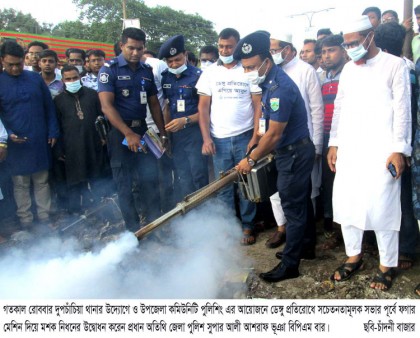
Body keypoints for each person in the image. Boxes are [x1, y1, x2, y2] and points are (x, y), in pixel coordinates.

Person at [327, 16, 412, 291]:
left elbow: (403, 110)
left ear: (370, 36)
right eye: (346, 43)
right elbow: (339, 107)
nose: (350, 48)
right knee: (347, 201)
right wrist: (334, 143)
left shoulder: (394, 65)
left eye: (354, 42)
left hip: (382, 150)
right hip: (351, 148)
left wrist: (399, 150)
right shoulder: (349, 70)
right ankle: (354, 256)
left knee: (383, 206)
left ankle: (387, 264)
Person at [234, 31, 315, 282]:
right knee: (300, 204)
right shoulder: (269, 82)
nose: (248, 72)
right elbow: (265, 125)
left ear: (266, 61)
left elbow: (275, 134)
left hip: (292, 154)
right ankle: (306, 248)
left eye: (251, 67)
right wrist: (255, 142)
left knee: (293, 208)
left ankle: (291, 264)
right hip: (293, 152)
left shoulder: (279, 87)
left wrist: (250, 160)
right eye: (245, 68)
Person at [98, 27, 167, 232]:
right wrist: (128, 133)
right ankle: (133, 231)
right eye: (131, 48)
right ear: (121, 46)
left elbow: (154, 104)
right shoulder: (109, 70)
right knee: (124, 185)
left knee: (151, 180)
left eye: (139, 48)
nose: (135, 53)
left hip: (143, 131)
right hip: (120, 133)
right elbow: (106, 106)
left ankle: (154, 226)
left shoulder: (147, 71)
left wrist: (163, 134)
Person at [196, 28, 261, 245]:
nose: (224, 50)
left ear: (237, 46)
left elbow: (257, 103)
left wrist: (255, 136)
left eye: (229, 46)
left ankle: (247, 226)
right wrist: (206, 138)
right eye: (221, 46)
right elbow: (203, 108)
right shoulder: (210, 73)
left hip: (244, 136)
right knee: (223, 186)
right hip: (219, 139)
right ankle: (226, 226)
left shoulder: (248, 70)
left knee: (246, 184)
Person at [265, 32, 323, 251]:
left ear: (287, 49)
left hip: (301, 145)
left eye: (274, 49)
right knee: (283, 195)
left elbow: (316, 110)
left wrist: (316, 145)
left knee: (301, 196)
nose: (271, 54)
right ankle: (288, 233)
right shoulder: (273, 73)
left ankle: (302, 244)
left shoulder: (305, 71)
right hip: (280, 143)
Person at [375, 21, 420, 270]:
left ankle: (405, 248)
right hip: (404, 141)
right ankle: (398, 246)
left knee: (400, 196)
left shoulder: (399, 68)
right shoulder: (409, 66)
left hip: (396, 143)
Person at [0, 41, 59, 228]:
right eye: (11, 65)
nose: (16, 68)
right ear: (2, 61)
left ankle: (44, 216)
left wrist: (52, 130)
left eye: (19, 64)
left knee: (41, 180)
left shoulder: (35, 78)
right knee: (20, 183)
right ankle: (26, 220)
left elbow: (48, 107)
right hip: (15, 143)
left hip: (39, 138)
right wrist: (8, 134)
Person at [159, 35, 209, 201]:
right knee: (183, 176)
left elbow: (207, 110)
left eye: (177, 60)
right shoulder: (165, 77)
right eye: (170, 61)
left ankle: (206, 212)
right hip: (176, 136)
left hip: (195, 133)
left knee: (198, 174)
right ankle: (190, 214)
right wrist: (165, 134)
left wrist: (186, 120)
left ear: (186, 55)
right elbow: (167, 106)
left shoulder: (198, 76)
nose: (174, 65)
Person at [54, 65, 105, 214]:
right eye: (68, 79)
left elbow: (102, 118)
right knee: (75, 180)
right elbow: (56, 125)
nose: (72, 81)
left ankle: (100, 209)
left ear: (80, 78)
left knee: (96, 177)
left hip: (93, 142)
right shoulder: (58, 100)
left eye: (75, 78)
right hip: (71, 146)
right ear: (63, 80)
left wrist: (103, 137)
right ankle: (75, 212)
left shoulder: (93, 95)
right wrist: (59, 149)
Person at [319, 34, 348, 248]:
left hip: (347, 137)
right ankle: (338, 231)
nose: (326, 56)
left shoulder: (350, 74)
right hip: (328, 136)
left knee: (348, 184)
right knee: (331, 184)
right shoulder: (323, 77)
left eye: (331, 50)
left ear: (343, 50)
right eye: (323, 52)